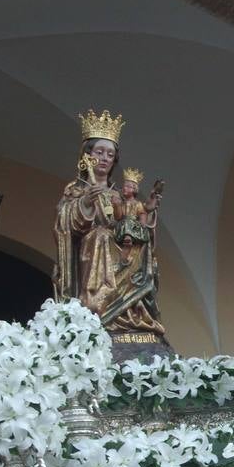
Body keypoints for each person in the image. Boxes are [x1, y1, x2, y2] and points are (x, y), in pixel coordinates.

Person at [54, 110, 170, 359]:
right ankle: (99, 305)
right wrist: (86, 201)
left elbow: (134, 218)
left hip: (122, 245)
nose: (105, 159)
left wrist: (146, 218)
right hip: (94, 248)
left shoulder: (119, 194)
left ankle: (134, 313)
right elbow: (65, 222)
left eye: (110, 154)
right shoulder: (77, 189)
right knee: (102, 237)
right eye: (99, 153)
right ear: (87, 156)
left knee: (141, 247)